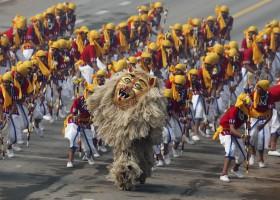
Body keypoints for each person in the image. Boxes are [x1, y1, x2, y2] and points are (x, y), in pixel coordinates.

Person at [214, 93, 251, 182]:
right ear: (242, 103)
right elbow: (232, 129)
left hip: (233, 133)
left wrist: (248, 127)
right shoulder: (234, 110)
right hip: (225, 131)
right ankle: (223, 174)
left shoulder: (245, 111)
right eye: (247, 103)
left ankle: (235, 169)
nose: (249, 105)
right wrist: (243, 136)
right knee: (231, 149)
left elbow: (246, 124)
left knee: (245, 155)